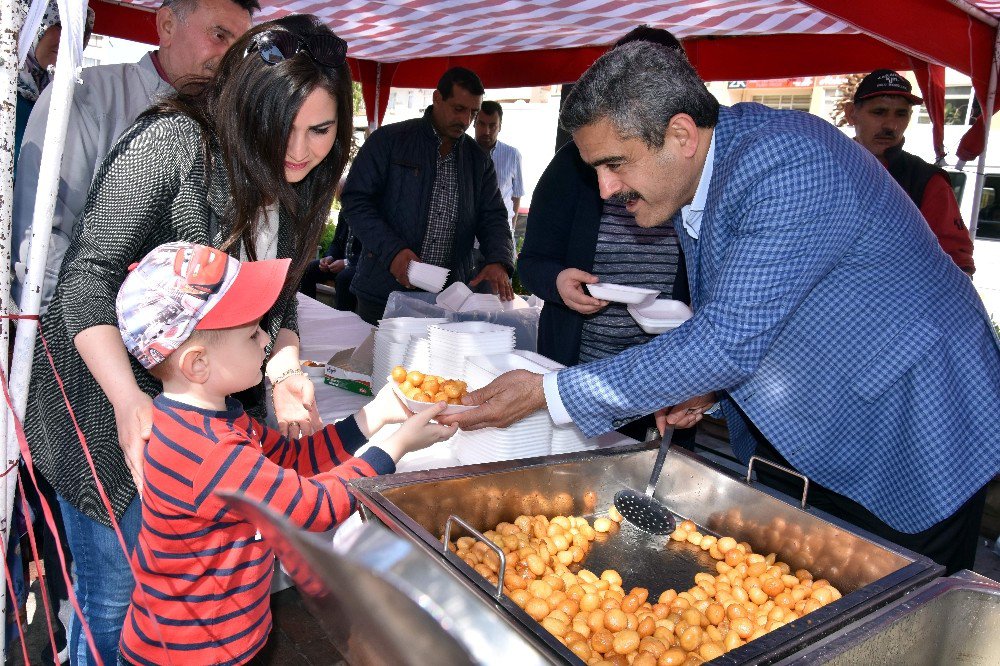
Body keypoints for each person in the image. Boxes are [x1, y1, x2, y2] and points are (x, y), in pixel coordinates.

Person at [441, 41, 1000, 574]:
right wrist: (703, 386)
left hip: (917, 425)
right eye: (596, 171)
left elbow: (726, 340)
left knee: (886, 617)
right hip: (830, 420)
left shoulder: (786, 163)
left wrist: (549, 392)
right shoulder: (702, 171)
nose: (606, 188)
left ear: (681, 134)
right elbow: (762, 312)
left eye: (615, 164)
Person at [22, 16, 353, 663]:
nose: (301, 149)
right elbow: (84, 280)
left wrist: (284, 375)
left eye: (321, 129)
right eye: (283, 125)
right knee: (114, 607)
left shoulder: (301, 187)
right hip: (100, 415)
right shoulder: (173, 143)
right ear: (248, 102)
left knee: (183, 607)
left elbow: (279, 305)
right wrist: (126, 401)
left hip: (197, 423)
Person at [114, 241, 454, 665]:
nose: (265, 342)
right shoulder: (210, 450)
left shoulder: (212, 419)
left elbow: (291, 461)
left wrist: (374, 416)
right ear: (197, 364)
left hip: (220, 635)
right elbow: (313, 507)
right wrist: (394, 446)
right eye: (252, 333)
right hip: (196, 652)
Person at [12, 0, 258, 310]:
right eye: (219, 36)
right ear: (167, 25)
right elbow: (42, 242)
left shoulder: (230, 125)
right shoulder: (85, 97)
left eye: (240, 46)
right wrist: (81, 340)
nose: (230, 59)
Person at [517, 25, 692, 445]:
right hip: (582, 374)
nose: (608, 185)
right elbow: (532, 260)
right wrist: (558, 283)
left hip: (668, 376)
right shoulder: (573, 166)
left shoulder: (694, 166)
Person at [341, 67, 516, 324]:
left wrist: (498, 260)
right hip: (383, 291)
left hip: (447, 297)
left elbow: (493, 217)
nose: (466, 120)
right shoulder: (389, 141)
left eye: (473, 112)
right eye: (458, 109)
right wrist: (394, 252)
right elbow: (356, 201)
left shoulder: (478, 161)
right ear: (437, 98)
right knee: (374, 362)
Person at [844, 69, 975, 274]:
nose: (891, 125)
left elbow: (957, 260)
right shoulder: (825, 166)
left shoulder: (926, 179)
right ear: (851, 114)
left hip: (897, 300)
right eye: (879, 112)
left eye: (901, 114)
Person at [13, 0, 95, 172]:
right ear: (30, 25)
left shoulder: (68, 98)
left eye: (78, 32)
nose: (68, 40)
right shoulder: (6, 89)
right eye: (59, 25)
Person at [475, 100, 524, 228]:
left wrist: (511, 228)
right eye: (481, 124)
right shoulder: (462, 152)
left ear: (500, 127)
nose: (486, 131)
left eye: (492, 126)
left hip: (499, 233)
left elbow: (516, 196)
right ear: (474, 123)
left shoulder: (513, 155)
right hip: (468, 236)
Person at [298, 215, 360, 311]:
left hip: (362, 267)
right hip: (340, 264)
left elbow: (373, 253)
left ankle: (342, 318)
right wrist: (329, 257)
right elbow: (336, 243)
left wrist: (346, 263)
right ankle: (307, 310)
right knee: (310, 268)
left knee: (343, 278)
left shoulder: (369, 212)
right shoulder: (345, 211)